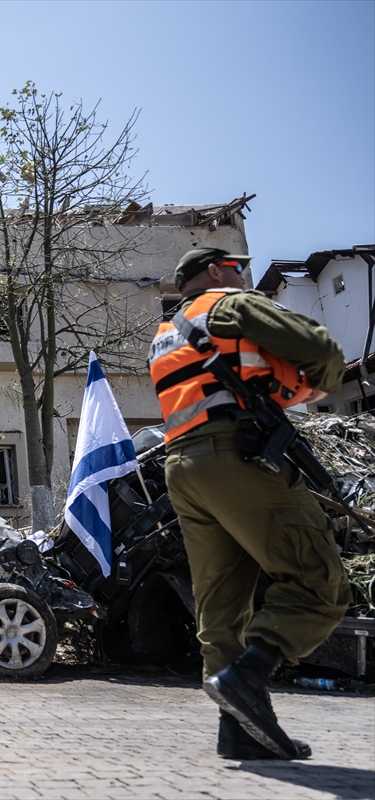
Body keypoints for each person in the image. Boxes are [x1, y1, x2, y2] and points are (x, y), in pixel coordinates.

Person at [149, 248, 350, 761]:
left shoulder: (166, 333)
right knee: (317, 580)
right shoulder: (229, 305)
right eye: (237, 267)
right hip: (238, 459)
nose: (244, 274)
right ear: (216, 271)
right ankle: (250, 672)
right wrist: (315, 387)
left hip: (184, 469)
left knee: (221, 609)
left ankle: (239, 729)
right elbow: (320, 350)